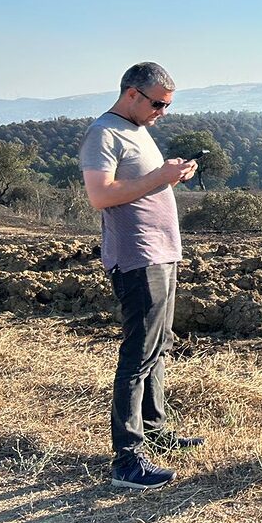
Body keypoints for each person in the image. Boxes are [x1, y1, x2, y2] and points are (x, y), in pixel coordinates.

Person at [80, 62, 202, 489]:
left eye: (167, 105)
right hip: (137, 257)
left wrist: (172, 178)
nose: (162, 112)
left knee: (158, 348)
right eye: (158, 103)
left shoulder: (137, 128)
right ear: (132, 93)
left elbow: (144, 186)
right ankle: (127, 460)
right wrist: (159, 177)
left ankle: (157, 432)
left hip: (162, 252)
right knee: (137, 355)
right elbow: (100, 196)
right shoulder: (104, 133)